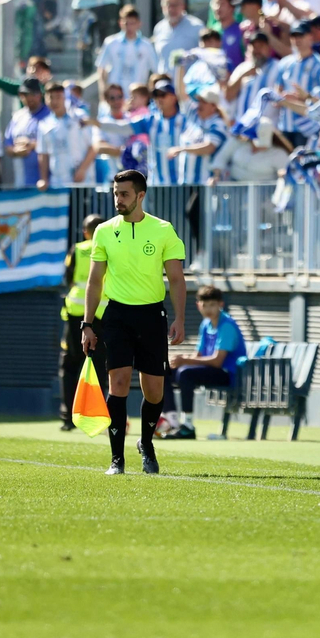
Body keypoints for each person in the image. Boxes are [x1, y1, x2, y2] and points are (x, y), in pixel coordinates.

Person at [81, 169, 187, 475]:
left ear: (140, 196)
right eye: (115, 193)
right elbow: (94, 282)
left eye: (124, 194)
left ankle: (146, 443)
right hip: (116, 316)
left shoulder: (163, 229)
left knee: (154, 391)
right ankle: (117, 459)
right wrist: (87, 324)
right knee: (119, 383)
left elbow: (177, 280)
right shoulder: (103, 231)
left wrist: (180, 318)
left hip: (152, 316)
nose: (118, 199)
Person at [161, 285, 246, 440]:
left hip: (227, 374)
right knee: (165, 371)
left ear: (221, 305)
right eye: (204, 305)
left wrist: (185, 361)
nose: (208, 309)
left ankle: (187, 426)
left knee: (186, 373)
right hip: (210, 370)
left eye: (212, 305)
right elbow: (199, 355)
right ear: (198, 305)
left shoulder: (226, 325)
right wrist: (180, 360)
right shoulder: (205, 324)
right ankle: (172, 421)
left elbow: (217, 361)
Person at [58, 214, 108, 431]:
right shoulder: (110, 247)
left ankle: (69, 418)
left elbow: (67, 277)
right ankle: (104, 417)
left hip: (78, 313)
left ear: (86, 231)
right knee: (104, 367)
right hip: (104, 313)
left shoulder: (77, 249)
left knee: (70, 366)